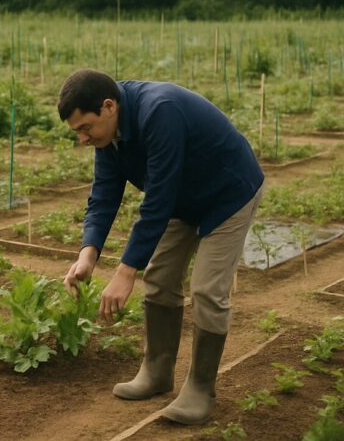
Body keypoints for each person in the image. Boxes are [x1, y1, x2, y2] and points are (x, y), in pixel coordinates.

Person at [58, 69, 264, 425]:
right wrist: (87, 253)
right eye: (77, 131)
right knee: (160, 277)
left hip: (228, 194)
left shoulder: (160, 111)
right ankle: (157, 371)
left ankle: (200, 390)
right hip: (183, 200)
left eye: (85, 128)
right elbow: (105, 193)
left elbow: (159, 198)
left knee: (207, 290)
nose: (82, 138)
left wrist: (125, 272)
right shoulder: (110, 134)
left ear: (108, 106)